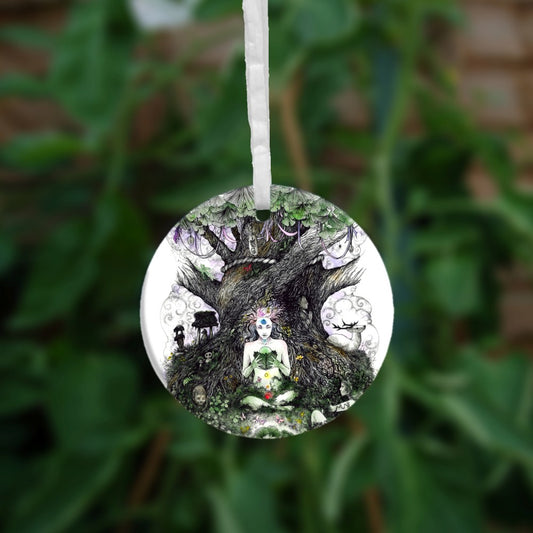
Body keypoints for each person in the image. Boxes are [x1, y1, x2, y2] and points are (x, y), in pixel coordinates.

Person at [241, 309, 296, 409]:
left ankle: (270, 406)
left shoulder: (281, 344)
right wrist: (252, 365)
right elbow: (245, 373)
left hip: (278, 390)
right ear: (255, 329)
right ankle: (277, 407)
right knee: (247, 399)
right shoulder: (249, 346)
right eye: (260, 327)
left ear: (273, 327)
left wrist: (278, 364)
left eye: (267, 327)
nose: (264, 331)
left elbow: (287, 372)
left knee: (292, 393)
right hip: (258, 391)